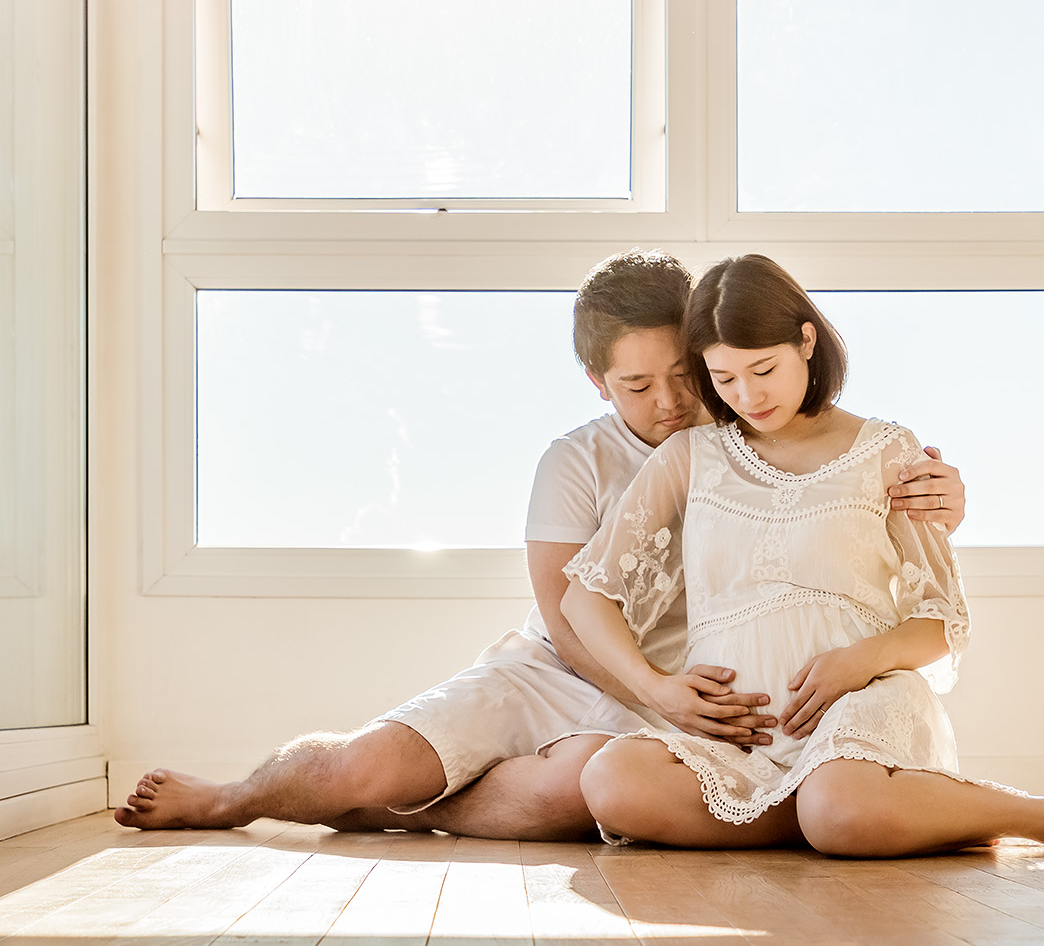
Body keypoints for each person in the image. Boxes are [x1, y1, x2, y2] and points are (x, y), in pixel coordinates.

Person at [114, 252, 967, 841]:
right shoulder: (575, 461)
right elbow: (568, 615)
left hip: (690, 701)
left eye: (686, 374)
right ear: (599, 383)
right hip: (566, 669)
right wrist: (654, 693)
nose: (674, 402)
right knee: (357, 770)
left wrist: (944, 496)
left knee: (588, 791)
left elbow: (848, 502)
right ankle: (241, 797)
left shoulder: (753, 423)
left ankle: (400, 809)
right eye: (637, 386)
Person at [563, 254, 1044, 857]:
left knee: (841, 800)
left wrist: (857, 663)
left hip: (857, 713)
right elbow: (584, 593)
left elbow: (940, 622)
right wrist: (658, 689)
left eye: (764, 371)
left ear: (806, 342)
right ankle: (831, 816)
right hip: (738, 737)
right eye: (724, 379)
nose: (748, 397)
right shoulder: (689, 456)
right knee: (613, 782)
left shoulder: (887, 451)